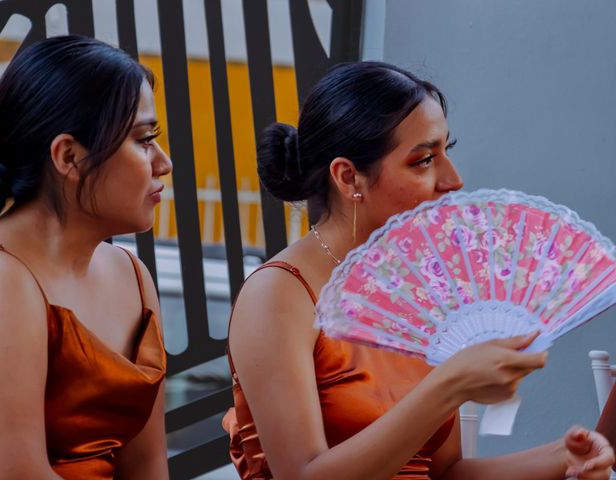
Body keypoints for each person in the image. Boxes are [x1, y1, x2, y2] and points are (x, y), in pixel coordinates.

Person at [223, 61, 615, 480]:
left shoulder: (420, 294)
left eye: (447, 151)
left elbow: (444, 472)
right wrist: (449, 384)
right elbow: (302, 475)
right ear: (348, 176)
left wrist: (563, 458)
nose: (453, 178)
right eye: (424, 160)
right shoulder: (280, 294)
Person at [0, 36, 172, 479]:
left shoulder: (131, 275)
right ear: (69, 156)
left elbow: (148, 465)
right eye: (144, 140)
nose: (164, 162)